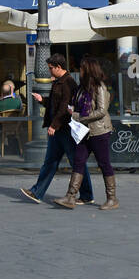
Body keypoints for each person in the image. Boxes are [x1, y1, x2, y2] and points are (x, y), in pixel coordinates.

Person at [20, 54, 94, 205]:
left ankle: (87, 195)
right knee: (51, 162)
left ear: (58, 67)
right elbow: (56, 104)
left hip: (65, 130)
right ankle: (37, 192)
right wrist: (43, 100)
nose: (49, 71)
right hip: (59, 130)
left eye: (51, 68)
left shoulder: (68, 83)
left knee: (76, 162)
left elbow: (63, 108)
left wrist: (54, 125)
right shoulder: (59, 82)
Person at [56, 56, 118, 210]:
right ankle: (70, 196)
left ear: (89, 70)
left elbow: (102, 111)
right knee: (78, 161)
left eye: (82, 68)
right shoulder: (81, 88)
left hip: (99, 131)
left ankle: (112, 198)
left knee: (104, 164)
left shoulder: (100, 87)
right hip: (84, 131)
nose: (80, 71)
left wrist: (78, 116)